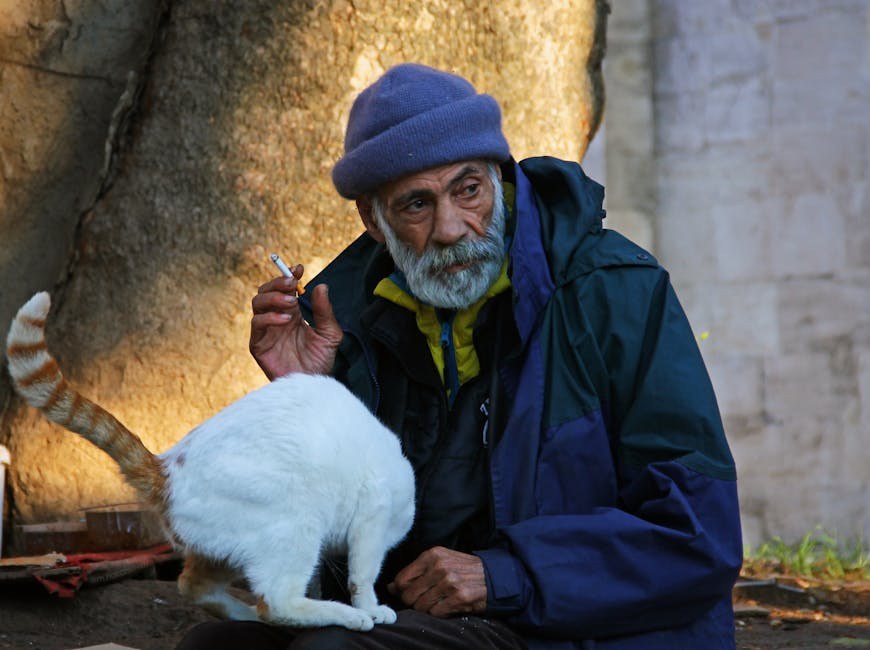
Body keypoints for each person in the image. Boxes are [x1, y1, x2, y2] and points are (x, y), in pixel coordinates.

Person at [178, 63, 742, 650]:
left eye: (467, 190)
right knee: (213, 647)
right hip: (433, 620)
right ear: (374, 221)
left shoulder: (614, 292)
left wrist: (506, 577)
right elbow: (340, 552)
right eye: (416, 205)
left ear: (499, 177)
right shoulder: (354, 321)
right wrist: (314, 399)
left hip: (576, 628)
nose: (450, 229)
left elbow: (699, 535)